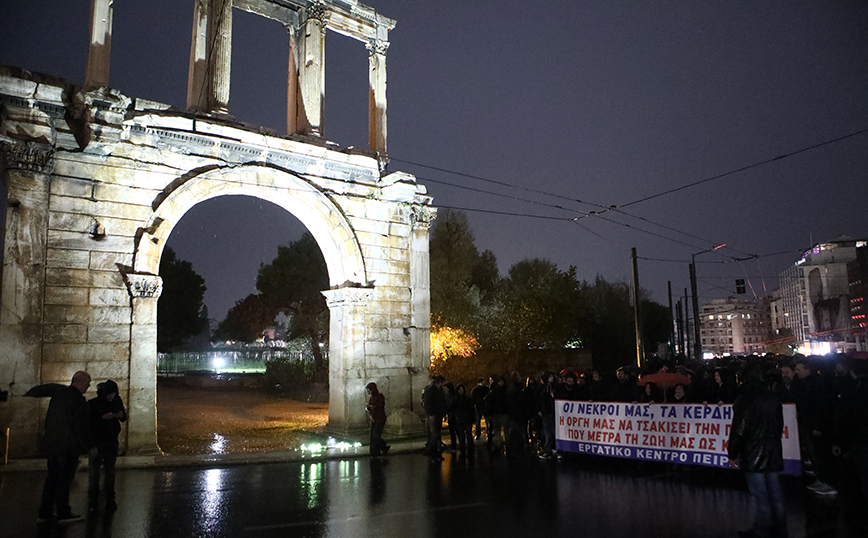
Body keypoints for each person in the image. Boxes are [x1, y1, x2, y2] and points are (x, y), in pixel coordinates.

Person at [728, 365, 788, 538]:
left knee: (760, 495)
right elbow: (779, 424)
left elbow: (739, 429)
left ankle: (761, 529)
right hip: (772, 449)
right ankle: (780, 527)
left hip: (753, 451)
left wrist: (733, 452)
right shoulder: (772, 396)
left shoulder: (744, 399)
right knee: (776, 493)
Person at [39, 371, 93, 525]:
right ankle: (63, 513)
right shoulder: (77, 400)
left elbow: (48, 420)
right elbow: (81, 426)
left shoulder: (57, 397)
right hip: (68, 447)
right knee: (64, 481)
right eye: (87, 384)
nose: (88, 387)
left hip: (53, 445)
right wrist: (89, 446)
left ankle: (44, 513)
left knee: (52, 479)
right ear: (80, 382)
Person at [87, 379, 126, 513]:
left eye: (113, 393)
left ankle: (110, 499)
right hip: (97, 441)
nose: (111, 396)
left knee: (110, 471)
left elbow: (123, 416)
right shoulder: (93, 404)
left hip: (111, 440)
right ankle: (93, 500)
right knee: (94, 472)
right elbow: (89, 423)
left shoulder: (117, 401)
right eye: (109, 394)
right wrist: (102, 418)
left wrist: (120, 415)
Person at [423, 376, 447, 463]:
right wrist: (431, 414)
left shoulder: (439, 391)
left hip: (438, 414)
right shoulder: (430, 391)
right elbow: (428, 403)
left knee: (436, 434)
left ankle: (437, 453)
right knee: (434, 434)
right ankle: (432, 453)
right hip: (433, 415)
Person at [365, 382, 389, 458]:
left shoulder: (380, 396)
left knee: (376, 435)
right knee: (372, 437)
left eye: (369, 390)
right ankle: (374, 453)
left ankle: (384, 446)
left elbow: (380, 405)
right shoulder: (371, 398)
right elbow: (371, 407)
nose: (369, 391)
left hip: (380, 419)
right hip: (374, 419)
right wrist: (369, 408)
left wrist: (372, 407)